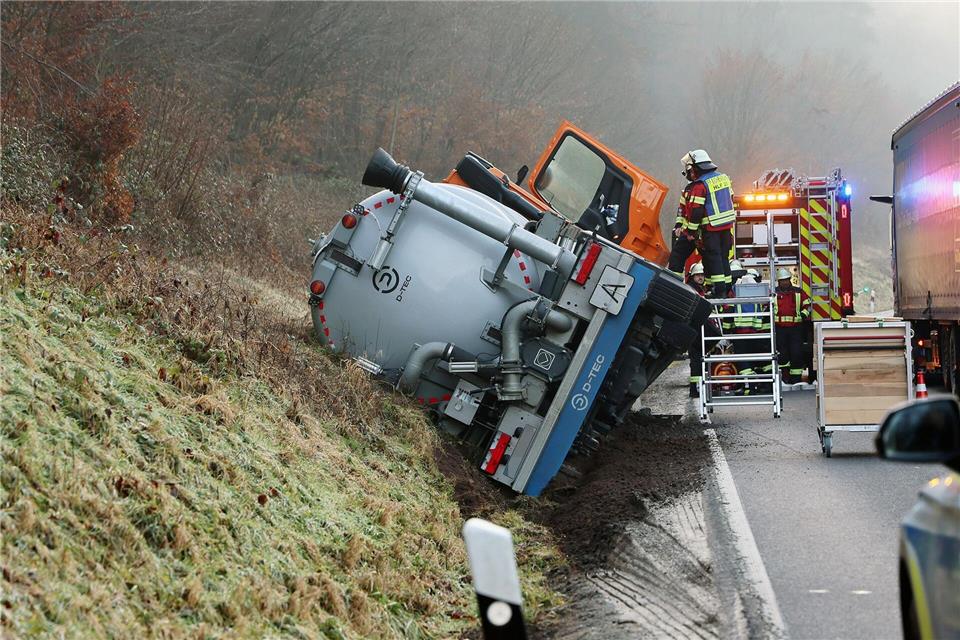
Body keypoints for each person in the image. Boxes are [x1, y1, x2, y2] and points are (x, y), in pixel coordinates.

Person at [666, 150, 737, 297]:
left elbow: (696, 212)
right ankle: (723, 289)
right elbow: (682, 210)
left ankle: (673, 286)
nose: (688, 173)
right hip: (723, 228)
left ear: (696, 168)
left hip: (703, 229)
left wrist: (690, 232)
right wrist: (679, 225)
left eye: (690, 170)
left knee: (680, 256)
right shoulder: (723, 179)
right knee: (718, 258)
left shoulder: (698, 186)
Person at [774, 268, 811, 384]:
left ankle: (796, 379)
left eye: (786, 280)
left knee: (796, 353)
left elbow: (807, 306)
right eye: (782, 281)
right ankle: (784, 378)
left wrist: (804, 316)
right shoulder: (773, 293)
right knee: (782, 354)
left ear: (789, 279)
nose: (784, 282)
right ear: (778, 282)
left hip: (796, 328)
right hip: (779, 329)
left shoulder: (798, 292)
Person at [686, 261, 707, 397]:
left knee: (699, 359)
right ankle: (695, 390)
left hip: (699, 329)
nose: (700, 277)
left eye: (702, 275)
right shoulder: (691, 289)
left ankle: (699, 388)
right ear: (692, 277)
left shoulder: (700, 290)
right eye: (697, 275)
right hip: (694, 330)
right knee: (696, 360)